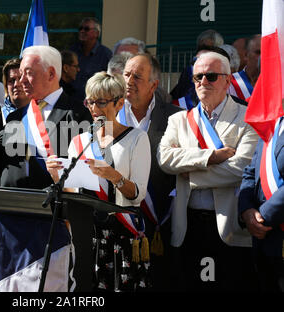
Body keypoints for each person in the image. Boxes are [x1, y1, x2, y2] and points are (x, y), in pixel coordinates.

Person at [0, 45, 92, 292]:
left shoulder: (76, 114)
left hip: (49, 224)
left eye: (28, 72)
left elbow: (84, 173)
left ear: (51, 74)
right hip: (10, 221)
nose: (20, 80)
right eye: (19, 73)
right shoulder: (16, 116)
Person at [157, 51, 259, 291]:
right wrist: (212, 156)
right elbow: (165, 159)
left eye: (211, 76)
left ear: (227, 80)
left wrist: (190, 173)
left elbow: (239, 169)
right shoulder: (179, 120)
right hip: (188, 223)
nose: (203, 82)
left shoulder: (247, 118)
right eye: (197, 77)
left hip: (228, 225)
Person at [46, 71, 150, 291]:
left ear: (120, 103)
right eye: (90, 102)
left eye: (101, 102)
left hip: (121, 232)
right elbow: (73, 191)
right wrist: (57, 176)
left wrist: (113, 175)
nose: (94, 109)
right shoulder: (80, 140)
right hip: (85, 233)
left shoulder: (137, 138)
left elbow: (137, 194)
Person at [119, 53, 181, 291]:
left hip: (159, 225)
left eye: (137, 76)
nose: (129, 81)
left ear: (154, 84)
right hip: (117, 219)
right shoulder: (110, 112)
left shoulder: (175, 116)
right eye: (126, 74)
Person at [238, 111, 284, 292]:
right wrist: (246, 210)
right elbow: (251, 172)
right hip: (263, 242)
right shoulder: (272, 124)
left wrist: (261, 217)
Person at [70, 17, 112, 102]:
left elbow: (110, 81)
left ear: (96, 33)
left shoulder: (106, 54)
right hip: (73, 101)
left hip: (95, 103)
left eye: (86, 29)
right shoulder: (72, 51)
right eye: (80, 28)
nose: (82, 31)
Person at [228, 34, 261, 102]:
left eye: (266, 52)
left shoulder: (278, 83)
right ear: (246, 55)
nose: (262, 57)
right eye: (258, 52)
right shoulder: (230, 83)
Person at [0, 57, 30, 125]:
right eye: (12, 81)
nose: (16, 84)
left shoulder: (44, 112)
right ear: (6, 85)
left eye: (21, 78)